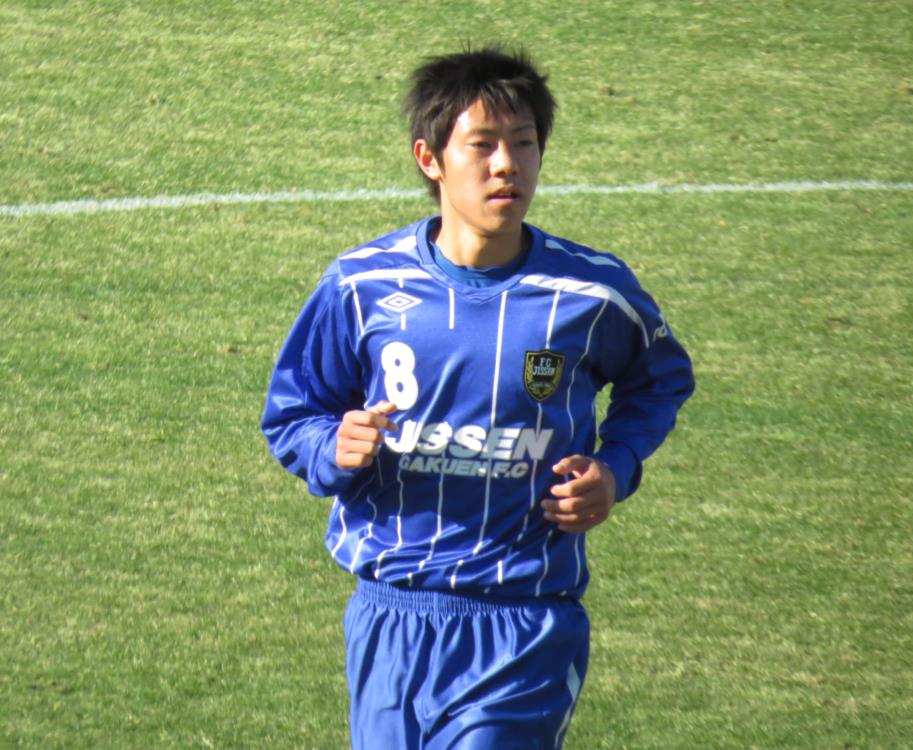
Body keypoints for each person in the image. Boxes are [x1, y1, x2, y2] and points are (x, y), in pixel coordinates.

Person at [261, 47, 694, 749]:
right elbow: (292, 414)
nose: (507, 165)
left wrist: (616, 468)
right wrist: (332, 448)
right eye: (483, 145)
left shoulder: (592, 292)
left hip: (524, 621)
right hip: (391, 617)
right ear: (429, 158)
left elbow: (660, 378)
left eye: (524, 144)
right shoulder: (360, 285)